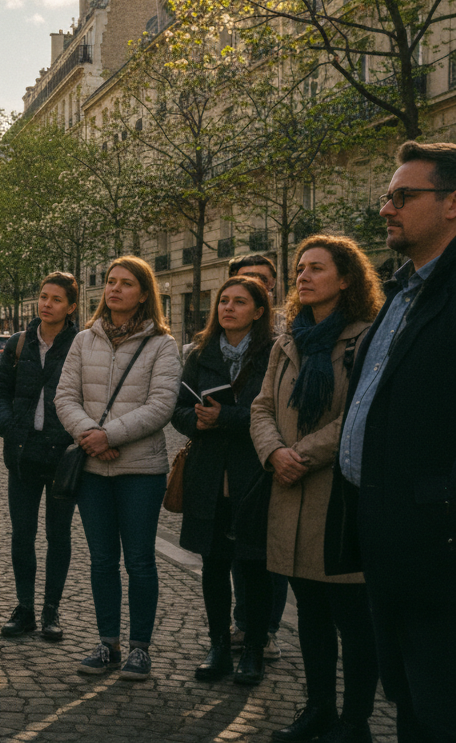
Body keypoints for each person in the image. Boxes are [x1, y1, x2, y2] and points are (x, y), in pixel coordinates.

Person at [331, 141, 456, 743]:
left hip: (436, 541)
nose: (386, 208)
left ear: (453, 204)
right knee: (405, 692)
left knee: (437, 701)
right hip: (384, 532)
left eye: (403, 196)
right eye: (387, 195)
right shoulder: (403, 291)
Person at [249, 234, 383, 743]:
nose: (303, 276)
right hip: (288, 492)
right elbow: (262, 407)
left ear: (346, 278)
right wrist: (273, 452)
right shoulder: (288, 341)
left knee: (353, 617)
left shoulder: (366, 337)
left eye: (317, 269)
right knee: (309, 614)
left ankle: (355, 721)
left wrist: (301, 455)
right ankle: (318, 709)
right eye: (300, 268)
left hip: (338, 494)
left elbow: (362, 414)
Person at [54, 256, 181, 681]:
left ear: (144, 293)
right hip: (93, 470)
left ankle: (140, 648)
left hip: (140, 471)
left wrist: (109, 436)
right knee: (102, 560)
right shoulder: (83, 340)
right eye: (110, 281)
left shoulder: (162, 344)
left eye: (126, 283)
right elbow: (64, 397)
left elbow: (162, 405)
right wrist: (91, 434)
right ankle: (108, 641)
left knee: (141, 561)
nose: (114, 289)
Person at [171, 276, 275, 686]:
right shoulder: (200, 354)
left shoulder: (273, 353)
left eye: (239, 302)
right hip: (209, 473)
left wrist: (225, 418)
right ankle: (218, 646)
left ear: (259, 311)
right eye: (223, 301)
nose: (228, 308)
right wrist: (194, 419)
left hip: (253, 473)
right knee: (213, 563)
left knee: (254, 564)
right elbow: (178, 408)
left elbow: (276, 412)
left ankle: (253, 649)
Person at [0, 272, 81, 642]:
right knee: (22, 534)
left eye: (56, 299)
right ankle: (25, 607)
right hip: (23, 453)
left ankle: (51, 610)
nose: (46, 304)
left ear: (71, 307)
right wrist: (10, 429)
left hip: (62, 454)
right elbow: (1, 393)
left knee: (59, 535)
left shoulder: (82, 345)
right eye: (43, 297)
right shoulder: (18, 343)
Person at [224, 254, 289, 659]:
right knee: (236, 550)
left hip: (267, 459)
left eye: (263, 281)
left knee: (270, 553)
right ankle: (242, 619)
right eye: (245, 281)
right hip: (227, 463)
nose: (255, 286)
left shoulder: (285, 339)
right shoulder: (207, 347)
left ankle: (265, 628)